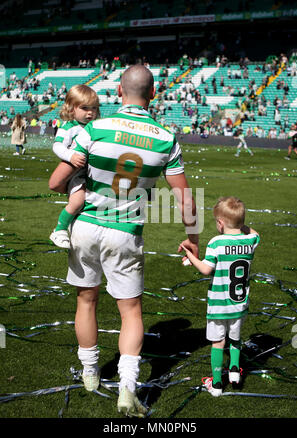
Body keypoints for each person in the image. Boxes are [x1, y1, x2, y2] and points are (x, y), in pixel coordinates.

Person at [48, 65, 199, 417]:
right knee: (130, 311)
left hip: (85, 225)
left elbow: (57, 182)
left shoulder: (94, 128)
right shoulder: (167, 138)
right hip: (126, 232)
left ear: (119, 91)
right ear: (154, 92)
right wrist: (193, 238)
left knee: (86, 300)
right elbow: (185, 200)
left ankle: (90, 374)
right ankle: (127, 388)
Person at [181, 196, 260, 397]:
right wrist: (240, 224)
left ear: (220, 223)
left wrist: (191, 256)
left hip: (219, 305)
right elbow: (255, 233)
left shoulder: (216, 242)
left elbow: (206, 270)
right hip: (239, 304)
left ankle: (216, 384)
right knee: (235, 338)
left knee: (218, 343)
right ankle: (234, 371)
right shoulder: (250, 240)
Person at [49, 85, 100, 249]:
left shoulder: (96, 127)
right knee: (77, 201)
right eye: (85, 108)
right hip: (76, 173)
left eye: (94, 108)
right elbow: (57, 147)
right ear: (71, 109)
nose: (90, 112)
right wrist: (71, 156)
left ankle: (75, 226)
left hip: (92, 174)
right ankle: (59, 229)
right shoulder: (68, 127)